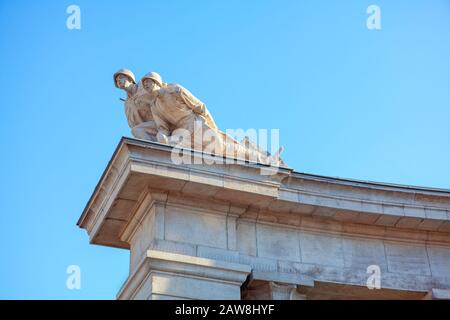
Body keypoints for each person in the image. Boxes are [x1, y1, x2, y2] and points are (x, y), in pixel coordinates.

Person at [113, 69, 157, 141]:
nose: (119, 81)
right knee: (136, 130)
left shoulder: (144, 87)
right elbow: (133, 124)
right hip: (148, 128)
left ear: (130, 79)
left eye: (121, 77)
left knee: (137, 130)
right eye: (117, 80)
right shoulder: (127, 104)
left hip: (160, 121)